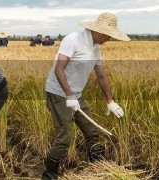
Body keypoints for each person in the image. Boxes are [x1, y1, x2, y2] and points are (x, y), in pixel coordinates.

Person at [43, 12, 130, 179]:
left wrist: (110, 101)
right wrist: (69, 95)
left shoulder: (95, 48)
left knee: (92, 132)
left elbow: (101, 76)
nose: (109, 39)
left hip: (76, 94)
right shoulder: (73, 40)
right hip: (58, 93)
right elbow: (58, 69)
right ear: (99, 32)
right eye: (109, 35)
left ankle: (97, 170)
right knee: (64, 138)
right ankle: (49, 174)